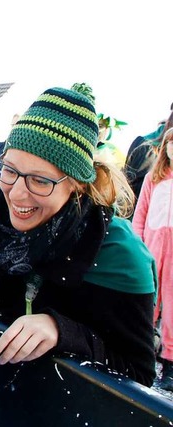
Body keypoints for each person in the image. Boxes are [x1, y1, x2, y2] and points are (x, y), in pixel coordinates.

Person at [0, 85, 157, 387]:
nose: (17, 194)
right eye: (10, 171)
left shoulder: (115, 254)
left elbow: (136, 375)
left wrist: (62, 330)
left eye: (40, 180)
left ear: (76, 184)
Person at [132, 127, 173, 390]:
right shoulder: (153, 178)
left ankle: (169, 361)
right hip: (152, 247)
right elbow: (140, 214)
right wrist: (137, 247)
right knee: (147, 301)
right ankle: (141, 353)